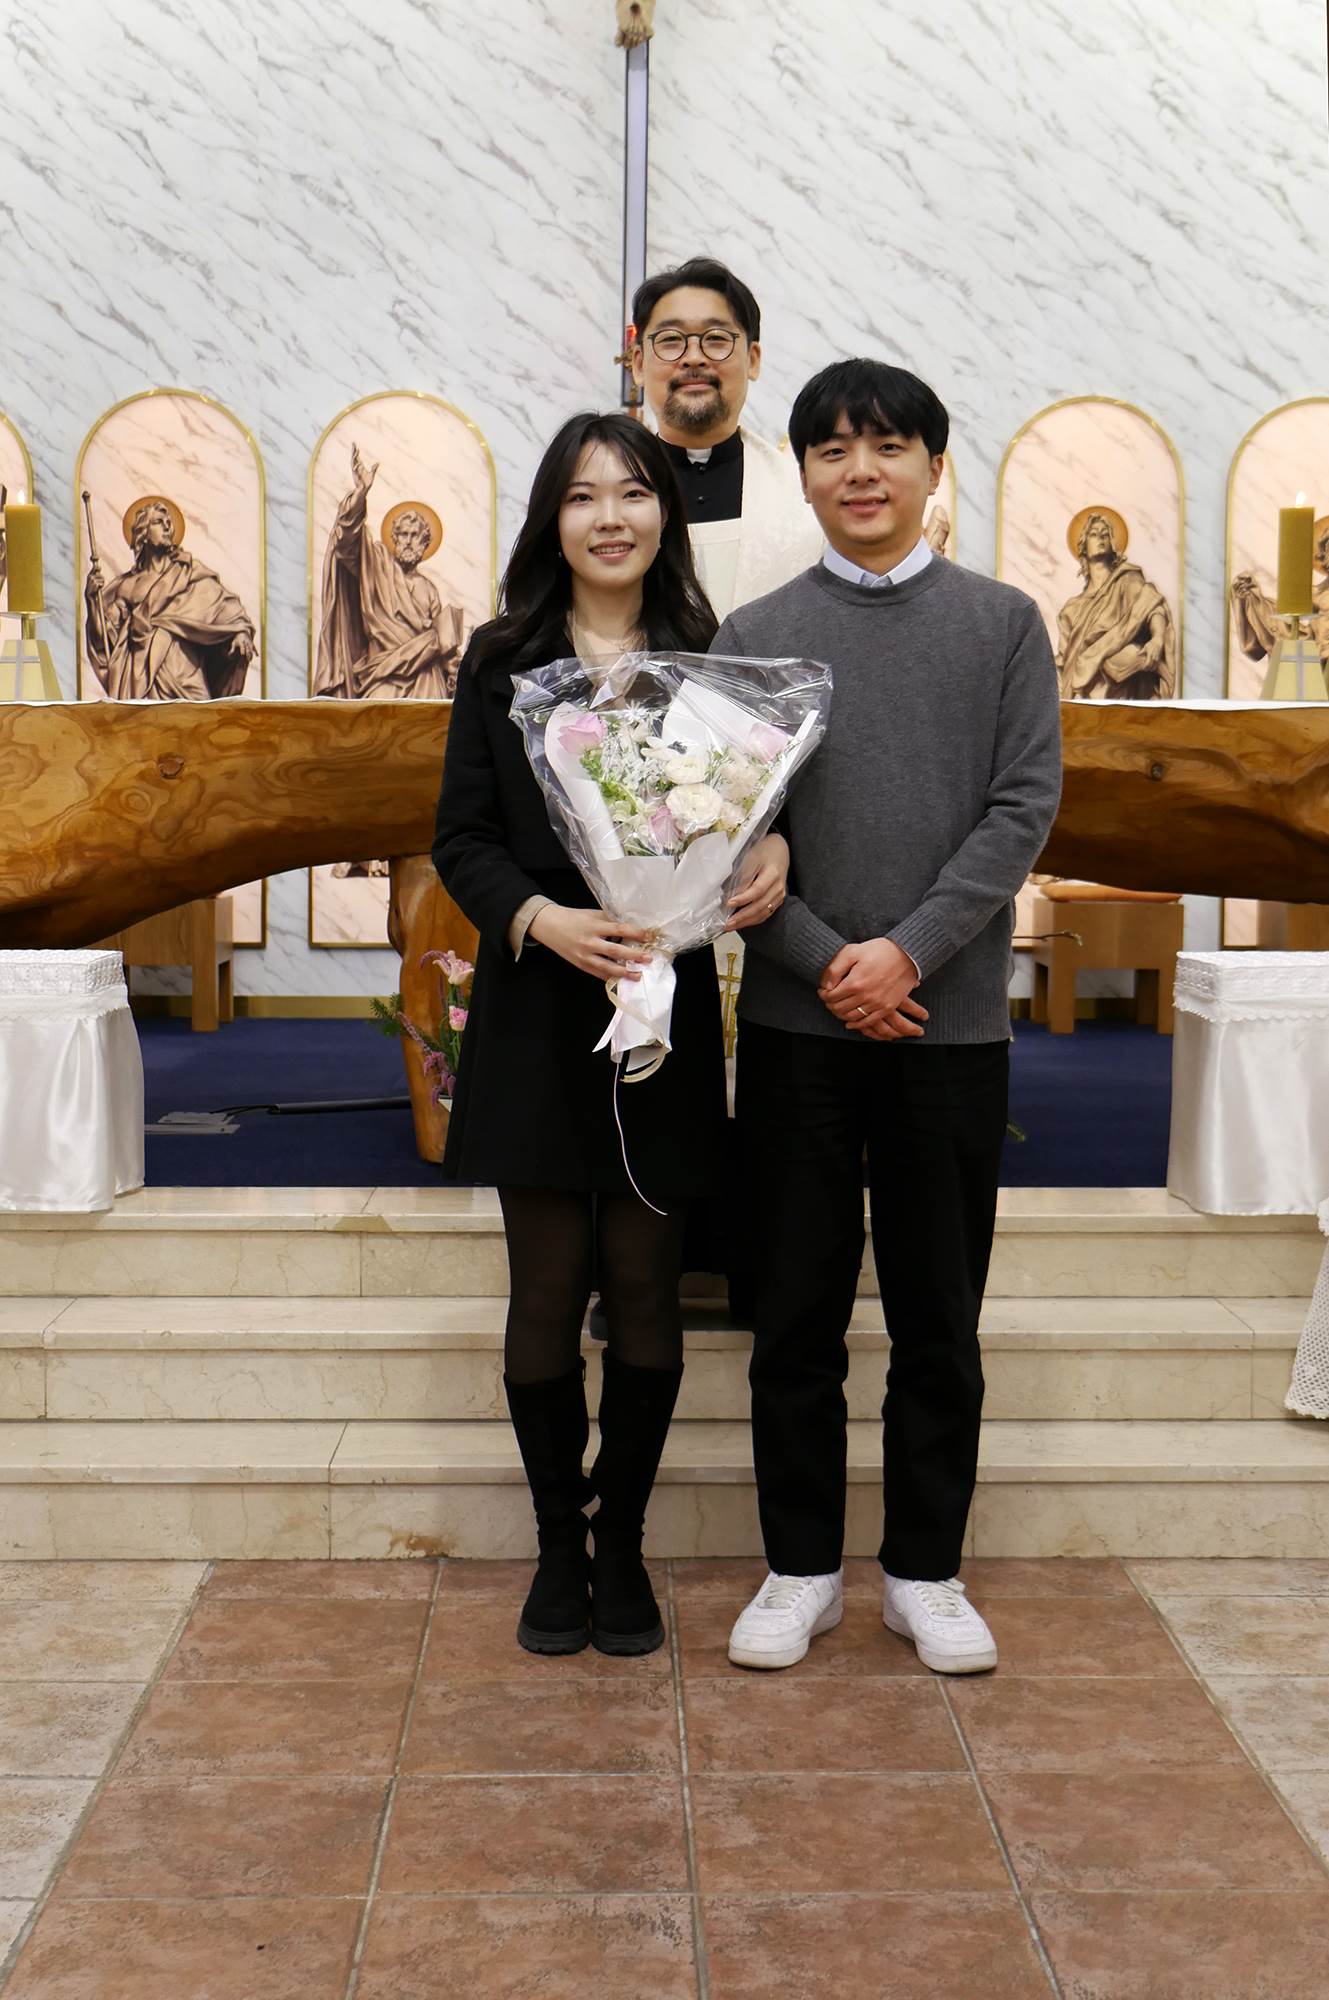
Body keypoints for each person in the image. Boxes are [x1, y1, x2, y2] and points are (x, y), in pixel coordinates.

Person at [716, 359, 1062, 1675]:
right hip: (799, 1032)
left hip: (948, 1028)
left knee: (937, 1320)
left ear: (932, 465)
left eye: (887, 446)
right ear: (802, 473)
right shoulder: (754, 636)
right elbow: (725, 836)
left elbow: (1020, 809)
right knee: (794, 1314)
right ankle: (799, 1568)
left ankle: (925, 1570)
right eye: (832, 449)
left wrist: (905, 953)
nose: (860, 470)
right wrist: (830, 964)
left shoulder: (1002, 624)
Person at [432, 410, 788, 1659]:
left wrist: (774, 847)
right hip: (540, 1003)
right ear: (554, 519)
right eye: (584, 495)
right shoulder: (501, 659)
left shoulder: (710, 656)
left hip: (660, 1005)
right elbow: (461, 836)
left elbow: (748, 807)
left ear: (664, 515)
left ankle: (621, 1541)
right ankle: (557, 1544)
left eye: (634, 493)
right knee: (545, 1287)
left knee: (644, 1283)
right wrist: (543, 918)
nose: (611, 517)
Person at [629, 256, 823, 623]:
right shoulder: (601, 498)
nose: (694, 358)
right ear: (639, 364)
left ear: (753, 359)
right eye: (671, 341)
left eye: (716, 339)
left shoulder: (810, 500)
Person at [314, 443, 464, 700]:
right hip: (382, 676)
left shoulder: (429, 589)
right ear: (394, 539)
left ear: (424, 542)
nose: (408, 541)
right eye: (403, 534)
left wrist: (455, 671)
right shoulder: (376, 567)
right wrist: (361, 493)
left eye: (415, 535)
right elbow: (346, 541)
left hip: (426, 679)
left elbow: (443, 640)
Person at [85, 498, 255, 700]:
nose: (167, 526)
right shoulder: (127, 586)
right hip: (142, 682)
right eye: (158, 522)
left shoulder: (188, 572)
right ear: (143, 534)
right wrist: (92, 600)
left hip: (187, 678)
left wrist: (241, 632)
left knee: (202, 717)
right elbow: (106, 639)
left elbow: (222, 605)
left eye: (168, 522)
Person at [1055, 509, 1177, 700]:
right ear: (1083, 546)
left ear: (1112, 544)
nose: (1101, 538)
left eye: (1105, 534)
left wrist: (1157, 639)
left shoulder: (1127, 581)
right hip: (1087, 703)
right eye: (1094, 534)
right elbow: (1065, 664)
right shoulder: (1071, 610)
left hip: (1125, 693)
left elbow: (1153, 607)